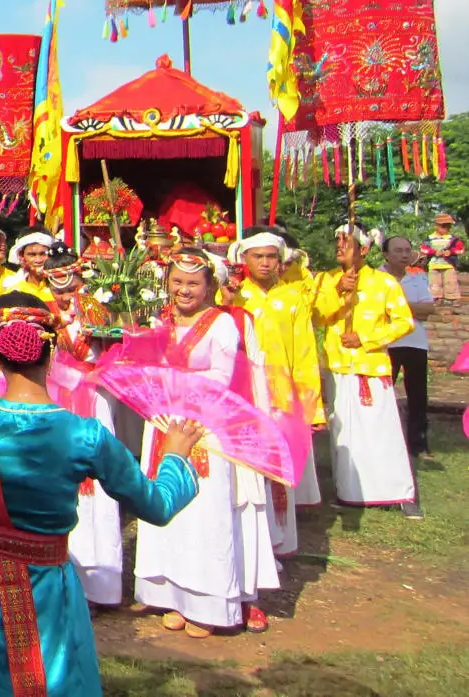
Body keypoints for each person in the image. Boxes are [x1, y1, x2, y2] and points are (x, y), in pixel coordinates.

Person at [0, 293, 203, 697]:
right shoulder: (86, 436)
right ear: (51, 352)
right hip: (47, 580)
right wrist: (174, 457)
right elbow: (158, 505)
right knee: (51, 676)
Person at [133, 249, 277, 637]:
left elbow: (222, 376)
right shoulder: (156, 320)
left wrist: (174, 384)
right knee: (167, 507)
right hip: (163, 423)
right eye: (177, 281)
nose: (184, 290)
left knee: (203, 512)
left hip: (205, 428)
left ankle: (209, 604)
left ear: (210, 286)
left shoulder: (222, 325)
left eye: (193, 283)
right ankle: (172, 597)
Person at [229, 229, 325, 554]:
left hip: (282, 396)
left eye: (272, 256)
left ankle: (279, 544)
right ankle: (252, 546)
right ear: (244, 260)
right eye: (259, 256)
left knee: (278, 469)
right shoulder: (232, 297)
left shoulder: (294, 298)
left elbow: (305, 355)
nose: (266, 263)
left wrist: (313, 408)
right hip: (245, 395)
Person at [315, 225, 419, 516]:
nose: (339, 247)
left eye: (346, 243)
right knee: (344, 433)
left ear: (363, 249)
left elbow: (404, 322)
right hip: (336, 365)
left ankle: (396, 492)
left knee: (380, 430)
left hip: (369, 367)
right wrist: (338, 291)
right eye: (337, 241)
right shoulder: (326, 280)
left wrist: (365, 339)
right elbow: (318, 316)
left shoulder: (384, 283)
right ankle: (349, 493)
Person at [45, 252, 124, 607]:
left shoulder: (100, 311)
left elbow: (112, 356)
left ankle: (99, 583)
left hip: (93, 403)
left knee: (97, 490)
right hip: (53, 401)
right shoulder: (44, 312)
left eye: (71, 287)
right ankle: (59, 576)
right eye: (56, 287)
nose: (64, 296)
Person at [383, 234, 435, 463]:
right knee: (383, 394)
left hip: (415, 342)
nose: (404, 255)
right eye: (398, 251)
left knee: (418, 396)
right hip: (387, 343)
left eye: (407, 250)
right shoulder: (377, 279)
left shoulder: (418, 279)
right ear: (386, 254)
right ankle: (385, 441)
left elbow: (428, 309)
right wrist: (412, 309)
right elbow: (377, 310)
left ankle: (419, 444)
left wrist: (397, 307)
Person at [1, 229, 57, 303]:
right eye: (32, 255)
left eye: (43, 254)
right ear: (21, 256)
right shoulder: (14, 292)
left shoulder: (62, 288)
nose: (38, 260)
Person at [419, 213, 463, 302]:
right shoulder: (430, 238)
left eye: (448, 226)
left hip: (449, 265)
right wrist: (434, 252)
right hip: (434, 265)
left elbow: (460, 249)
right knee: (434, 283)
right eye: (443, 226)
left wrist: (451, 252)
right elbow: (423, 249)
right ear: (436, 226)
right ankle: (436, 298)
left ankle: (452, 298)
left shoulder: (453, 239)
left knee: (451, 282)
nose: (446, 228)